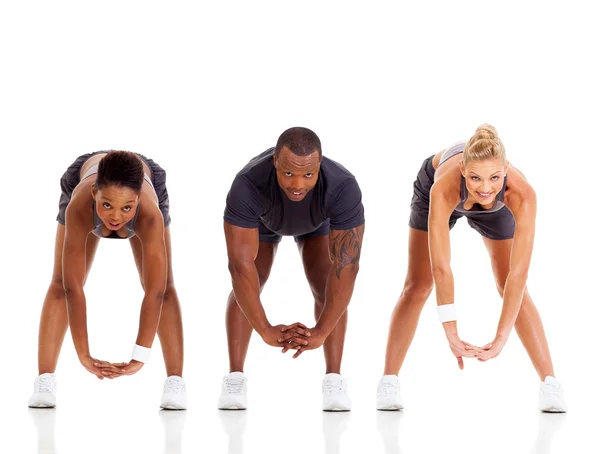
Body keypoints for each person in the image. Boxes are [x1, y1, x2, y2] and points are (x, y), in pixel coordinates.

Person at [376, 125, 567, 412]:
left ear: (505, 170)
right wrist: (450, 331)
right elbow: (442, 267)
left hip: (496, 210)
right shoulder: (443, 187)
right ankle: (388, 381)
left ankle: (550, 383)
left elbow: (518, 274)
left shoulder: (522, 194)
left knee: (509, 284)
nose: (486, 187)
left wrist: (501, 338)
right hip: (438, 193)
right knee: (418, 283)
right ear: (464, 170)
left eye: (494, 177)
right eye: (476, 177)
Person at [28, 150, 186, 410]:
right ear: (94, 194)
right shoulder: (79, 206)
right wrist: (84, 355)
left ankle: (175, 382)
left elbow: (155, 292)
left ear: (137, 200)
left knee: (164, 285)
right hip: (84, 178)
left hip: (145, 187)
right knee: (60, 282)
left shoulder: (149, 214)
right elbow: (73, 287)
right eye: (107, 205)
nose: (115, 217)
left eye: (126, 207)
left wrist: (139, 357)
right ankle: (44, 379)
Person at [220, 127, 365, 411]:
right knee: (251, 281)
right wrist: (264, 329)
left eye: (307, 175)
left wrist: (321, 331)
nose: (297, 184)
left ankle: (334, 379)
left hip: (317, 223)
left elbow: (348, 267)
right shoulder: (248, 185)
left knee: (327, 283)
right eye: (288, 174)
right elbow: (239, 267)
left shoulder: (342, 186)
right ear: (275, 161)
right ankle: (235, 377)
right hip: (261, 222)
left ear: (319, 164)